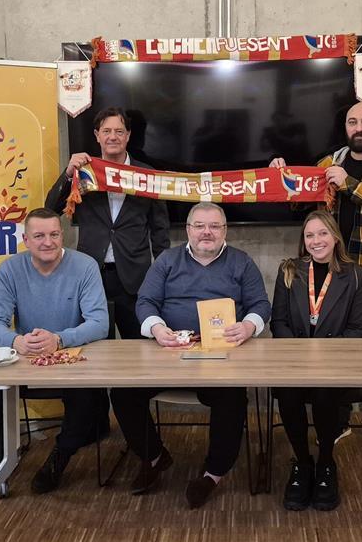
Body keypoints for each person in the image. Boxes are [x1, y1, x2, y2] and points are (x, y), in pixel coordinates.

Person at [110, 202, 271, 509]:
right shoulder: (167, 260)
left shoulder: (242, 262)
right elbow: (145, 302)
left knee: (233, 398)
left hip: (222, 359)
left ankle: (213, 473)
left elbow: (261, 304)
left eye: (214, 226)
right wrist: (157, 329)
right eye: (199, 226)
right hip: (171, 355)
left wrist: (249, 326)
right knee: (123, 392)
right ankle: (154, 457)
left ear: (225, 230)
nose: (206, 232)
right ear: (187, 230)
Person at [270, 101, 362, 452]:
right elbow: (299, 202)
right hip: (337, 276)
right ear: (345, 127)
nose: (358, 128)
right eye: (352, 122)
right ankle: (338, 419)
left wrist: (349, 184)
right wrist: (281, 175)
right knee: (339, 345)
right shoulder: (328, 162)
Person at [0, 208, 110, 493]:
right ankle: (1, 452)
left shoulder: (85, 266)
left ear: (62, 235)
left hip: (70, 359)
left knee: (86, 398)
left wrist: (59, 339)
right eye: (39, 236)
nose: (48, 242)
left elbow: (99, 323)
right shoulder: (10, 269)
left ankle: (61, 454)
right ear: (26, 240)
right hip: (24, 360)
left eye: (54, 234)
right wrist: (15, 341)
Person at [270, 209, 362, 511]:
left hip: (334, 362)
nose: (316, 241)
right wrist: (300, 355)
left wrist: (324, 356)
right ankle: (302, 462)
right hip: (295, 361)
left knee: (326, 393)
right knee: (288, 394)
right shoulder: (289, 270)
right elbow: (278, 322)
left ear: (335, 237)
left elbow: (357, 329)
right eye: (310, 235)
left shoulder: (356, 274)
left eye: (323, 233)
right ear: (304, 240)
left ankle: (326, 462)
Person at [45, 107, 170, 340]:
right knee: (95, 346)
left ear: (128, 135)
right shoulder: (84, 171)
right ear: (97, 135)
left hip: (134, 279)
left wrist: (162, 275)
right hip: (91, 275)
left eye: (119, 131)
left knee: (140, 347)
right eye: (106, 131)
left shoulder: (148, 175)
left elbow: (160, 230)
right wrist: (69, 173)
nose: (113, 137)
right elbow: (50, 208)